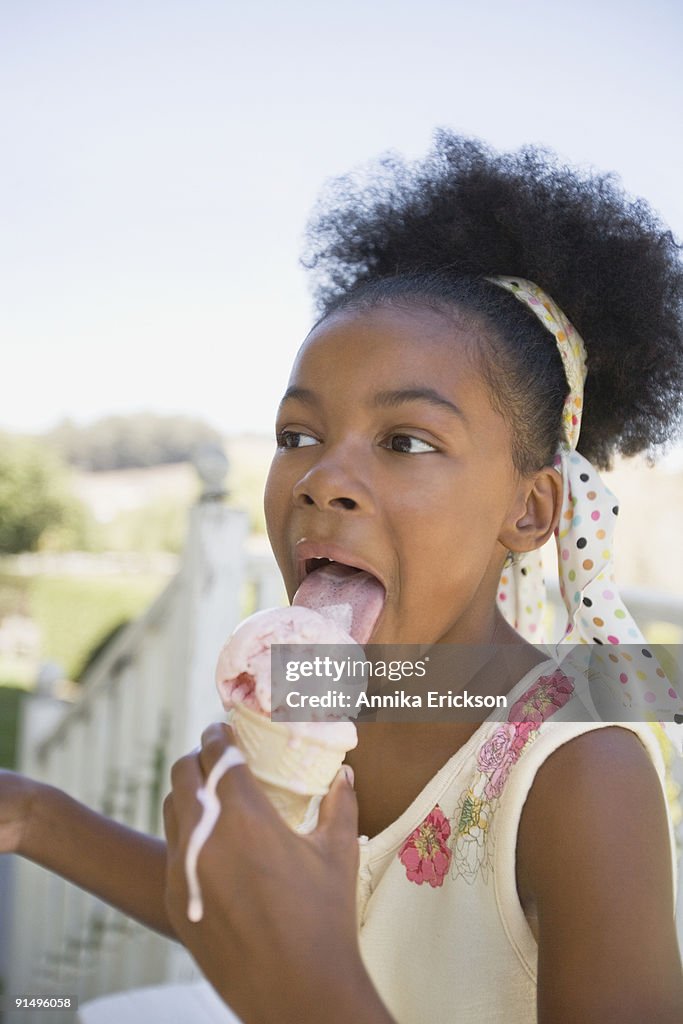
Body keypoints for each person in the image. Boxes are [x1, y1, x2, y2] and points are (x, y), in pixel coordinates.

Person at [2, 134, 683, 1023]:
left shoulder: (581, 773)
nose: (321, 477)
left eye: (405, 441)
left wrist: (306, 994)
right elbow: (252, 906)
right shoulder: (307, 686)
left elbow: (301, 964)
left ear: (529, 510)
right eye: (298, 437)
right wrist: (34, 816)